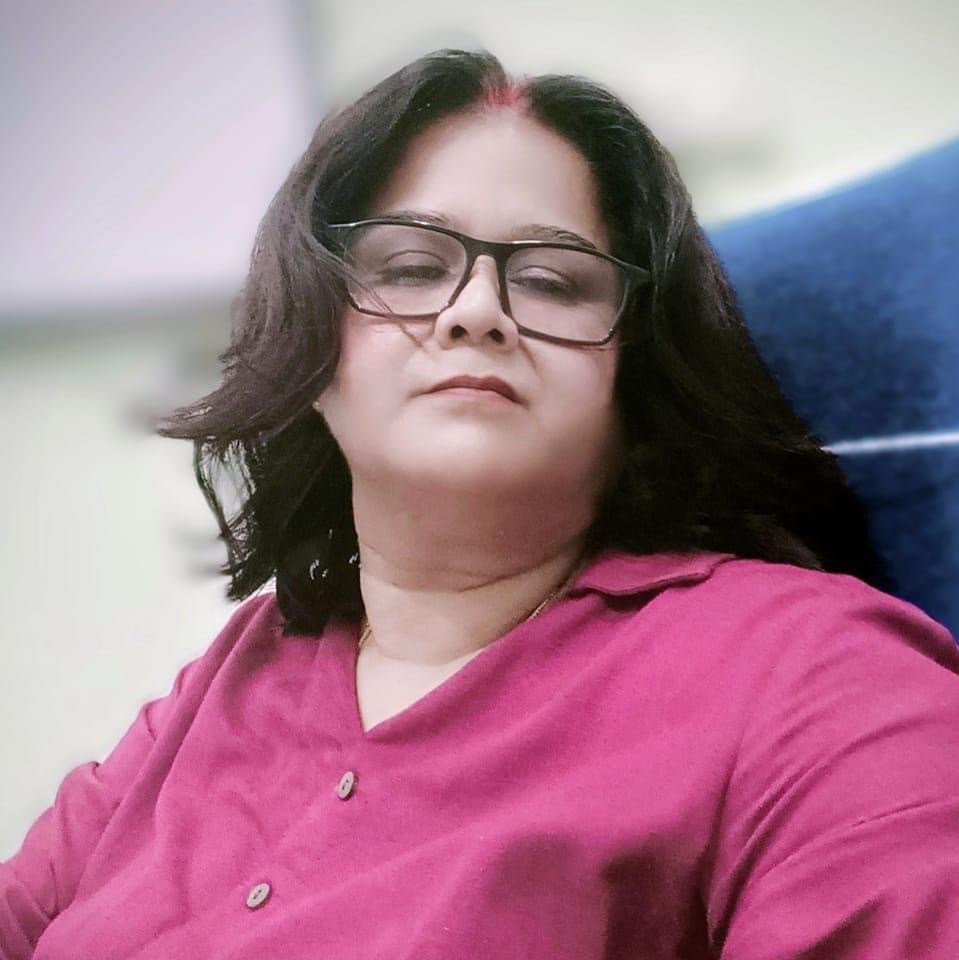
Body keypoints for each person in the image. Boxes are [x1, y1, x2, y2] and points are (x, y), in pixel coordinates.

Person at [2, 48, 958, 960]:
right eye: (411, 268)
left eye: (550, 281)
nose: (475, 311)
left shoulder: (816, 675)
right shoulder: (222, 684)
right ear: (309, 339)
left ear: (634, 371)